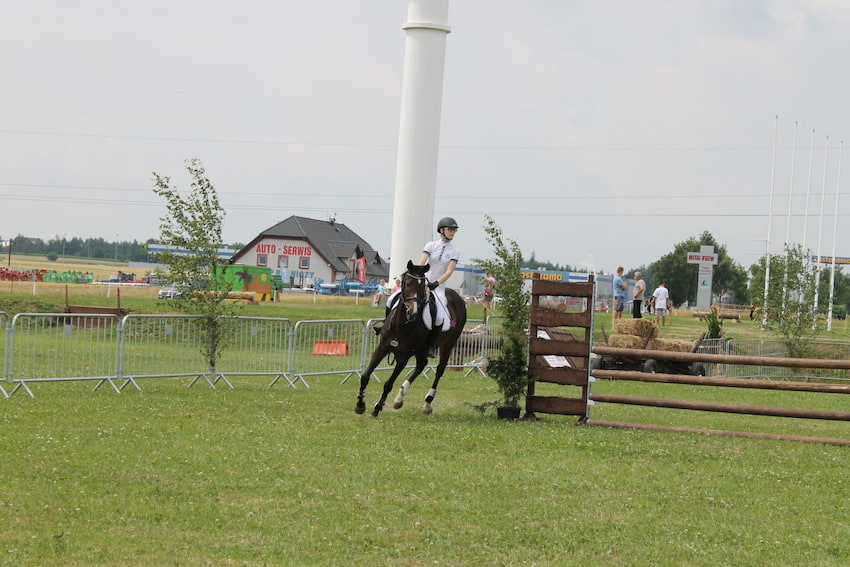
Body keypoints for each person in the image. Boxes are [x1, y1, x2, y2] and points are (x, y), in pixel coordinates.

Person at [417, 217, 460, 357]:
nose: (453, 232)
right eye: (450, 229)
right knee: (393, 299)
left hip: (438, 287)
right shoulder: (430, 245)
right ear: (442, 230)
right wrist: (420, 275)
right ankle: (386, 327)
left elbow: (449, 271)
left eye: (454, 230)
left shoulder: (455, 251)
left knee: (440, 315)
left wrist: (436, 283)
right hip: (423, 282)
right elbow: (422, 262)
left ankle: (430, 345)